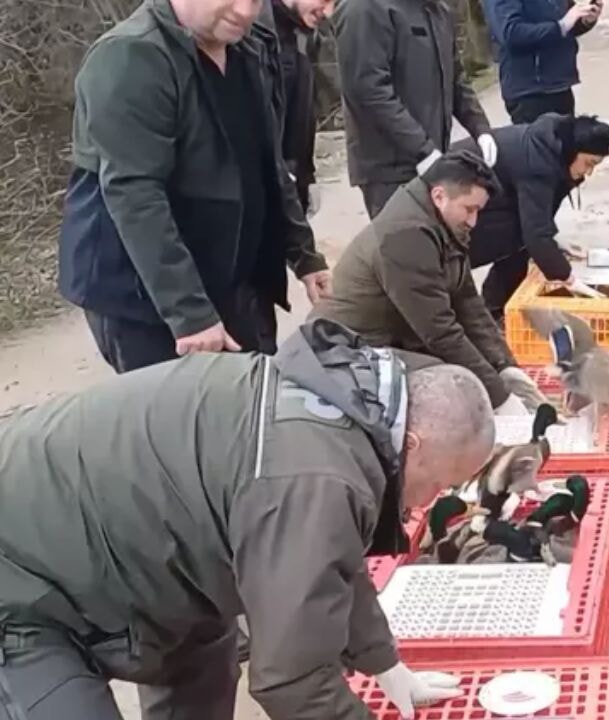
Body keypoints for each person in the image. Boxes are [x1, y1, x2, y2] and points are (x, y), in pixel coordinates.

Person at [0, 318, 495, 720]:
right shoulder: (317, 477)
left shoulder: (348, 405)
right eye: (442, 482)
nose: (434, 498)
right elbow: (293, 682)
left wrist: (382, 662)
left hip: (132, 552)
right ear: (415, 444)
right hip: (20, 575)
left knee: (206, 658)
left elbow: (327, 562)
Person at [57, 0, 332, 375]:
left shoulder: (248, 49)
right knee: (181, 424)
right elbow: (136, 195)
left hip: (234, 279)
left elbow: (267, 165)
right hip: (147, 299)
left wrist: (303, 255)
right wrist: (190, 313)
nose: (246, 11)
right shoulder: (131, 58)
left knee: (250, 407)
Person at [310, 151, 543, 414]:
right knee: (457, 388)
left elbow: (467, 301)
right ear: (439, 196)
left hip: (387, 342)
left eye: (478, 210)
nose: (473, 221)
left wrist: (504, 365)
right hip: (342, 355)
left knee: (472, 378)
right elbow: (440, 331)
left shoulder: (445, 222)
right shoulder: (405, 236)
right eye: (469, 209)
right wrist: (499, 398)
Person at [334, 0, 499, 220]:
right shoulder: (364, 8)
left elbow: (455, 78)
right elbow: (368, 90)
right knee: (403, 247)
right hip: (389, 167)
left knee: (439, 246)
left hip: (433, 159)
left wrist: (480, 128)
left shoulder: (437, 10)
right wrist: (422, 149)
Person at [451, 113, 609, 323]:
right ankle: (479, 317)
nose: (588, 172)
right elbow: (535, 231)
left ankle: (496, 311)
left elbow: (540, 212)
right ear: (574, 151)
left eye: (595, 166)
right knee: (519, 237)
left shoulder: (557, 149)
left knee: (523, 239)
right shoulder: (539, 161)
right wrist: (567, 278)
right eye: (588, 163)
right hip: (454, 197)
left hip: (490, 197)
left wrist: (553, 242)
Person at [255, 0, 333, 215]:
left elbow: (300, 112)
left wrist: (307, 177)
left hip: (293, 182)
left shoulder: (303, 32)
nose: (329, 12)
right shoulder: (253, 33)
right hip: (267, 190)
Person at [482, 0, 602, 123]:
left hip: (560, 84)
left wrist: (585, 20)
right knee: (540, 141)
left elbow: (566, 25)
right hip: (530, 91)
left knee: (566, 140)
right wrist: (562, 25)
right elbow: (510, 33)